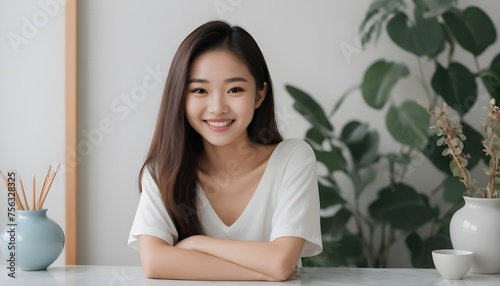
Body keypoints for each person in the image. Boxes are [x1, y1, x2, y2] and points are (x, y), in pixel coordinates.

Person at [128, 20, 322, 281]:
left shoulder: (293, 159)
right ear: (180, 97)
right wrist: (264, 275)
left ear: (259, 95)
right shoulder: (163, 170)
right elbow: (154, 263)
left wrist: (198, 244)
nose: (217, 107)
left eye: (234, 89)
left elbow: (281, 261)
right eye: (199, 90)